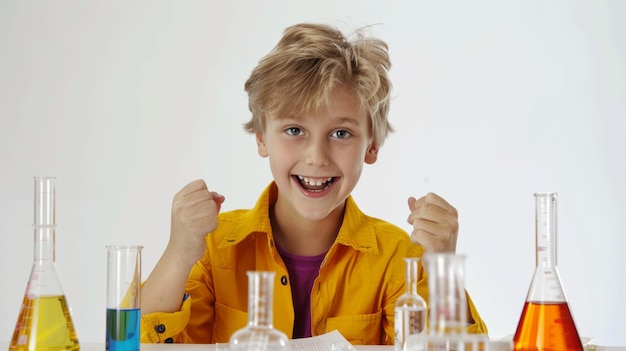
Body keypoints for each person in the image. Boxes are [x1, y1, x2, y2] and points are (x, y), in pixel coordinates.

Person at [139, 22, 488, 345]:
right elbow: (131, 345)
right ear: (262, 139)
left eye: (341, 133)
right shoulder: (213, 250)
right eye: (294, 130)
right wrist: (178, 252)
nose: (316, 157)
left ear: (371, 146)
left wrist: (444, 271)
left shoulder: (398, 261)